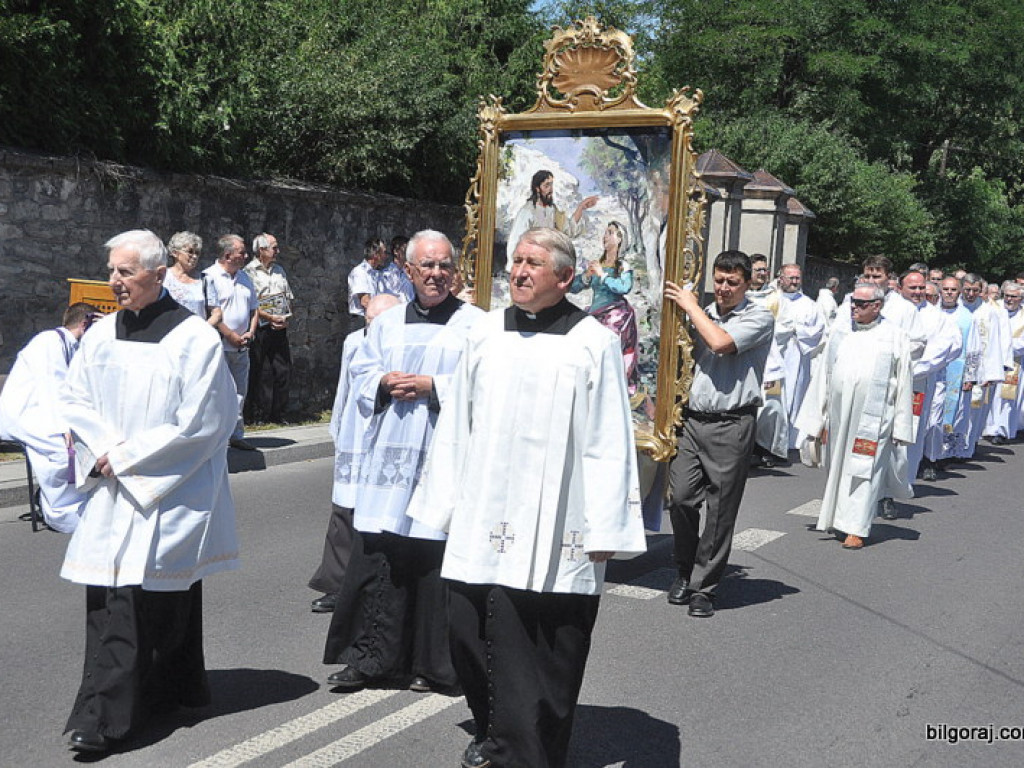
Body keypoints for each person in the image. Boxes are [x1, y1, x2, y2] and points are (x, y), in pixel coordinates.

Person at [409, 227, 647, 768]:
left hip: (558, 518)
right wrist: (441, 503)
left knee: (543, 643)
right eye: (515, 260)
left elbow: (609, 438)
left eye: (533, 263)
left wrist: (606, 526)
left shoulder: (594, 344)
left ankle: (525, 750)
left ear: (564, 278)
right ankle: (495, 728)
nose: (518, 271)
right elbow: (457, 422)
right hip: (484, 511)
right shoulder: (485, 334)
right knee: (466, 629)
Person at [58, 230, 240, 752]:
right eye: (112, 271)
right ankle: (110, 711)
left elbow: (204, 422)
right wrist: (102, 449)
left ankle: (129, 709)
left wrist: (128, 457)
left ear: (159, 275)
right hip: (115, 482)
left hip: (169, 486)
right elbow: (75, 398)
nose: (114, 282)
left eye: (125, 272)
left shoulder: (194, 339)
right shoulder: (100, 334)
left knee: (153, 596)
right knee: (116, 598)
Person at [323, 230, 483, 694]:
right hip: (390, 457)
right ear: (408, 271)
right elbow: (361, 369)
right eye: (426, 266)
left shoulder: (475, 325)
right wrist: (382, 382)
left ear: (455, 271)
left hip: (442, 455)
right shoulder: (387, 324)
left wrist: (433, 387)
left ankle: (434, 665)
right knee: (381, 557)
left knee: (434, 561)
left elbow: (483, 383)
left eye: (444, 266)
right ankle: (370, 658)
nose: (436, 274)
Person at [663, 250, 774, 618]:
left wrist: (692, 307)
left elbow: (721, 344)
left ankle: (704, 587)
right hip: (694, 420)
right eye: (719, 280)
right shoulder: (704, 311)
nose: (723, 289)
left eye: (732, 283)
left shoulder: (757, 316)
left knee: (720, 509)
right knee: (679, 498)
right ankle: (684, 570)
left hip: (732, 422)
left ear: (746, 284)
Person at [796, 282, 914, 549]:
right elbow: (823, 377)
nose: (854, 308)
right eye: (852, 302)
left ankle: (857, 528)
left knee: (864, 468)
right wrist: (816, 418)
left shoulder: (894, 335)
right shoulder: (840, 332)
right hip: (839, 415)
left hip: (874, 418)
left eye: (860, 304)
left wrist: (902, 426)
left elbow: (905, 380)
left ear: (877, 306)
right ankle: (838, 518)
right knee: (837, 465)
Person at [308, 292, 401, 613]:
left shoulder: (400, 344)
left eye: (379, 322)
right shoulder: (353, 342)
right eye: (369, 321)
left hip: (387, 438)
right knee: (344, 513)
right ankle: (336, 584)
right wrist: (336, 427)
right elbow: (344, 388)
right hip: (354, 433)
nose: (372, 327)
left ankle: (378, 586)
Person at [0, 302, 99, 532]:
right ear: (85, 324)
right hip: (23, 414)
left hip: (42, 412)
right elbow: (52, 386)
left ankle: (73, 503)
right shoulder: (49, 341)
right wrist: (64, 427)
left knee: (85, 445)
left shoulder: (73, 347)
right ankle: (58, 512)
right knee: (63, 452)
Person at [898, 269, 962, 483]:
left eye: (921, 288)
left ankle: (906, 478)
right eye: (912, 287)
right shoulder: (889, 310)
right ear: (900, 288)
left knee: (917, 428)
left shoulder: (936, 316)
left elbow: (948, 347)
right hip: (888, 380)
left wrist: (914, 369)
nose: (917, 292)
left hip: (920, 381)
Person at [204, 235, 259, 450]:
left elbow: (254, 308)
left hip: (242, 346)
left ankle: (236, 435)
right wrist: (230, 335)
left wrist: (250, 332)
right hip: (220, 345)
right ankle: (215, 437)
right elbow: (211, 311)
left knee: (239, 393)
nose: (246, 256)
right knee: (217, 393)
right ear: (227, 255)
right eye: (241, 252)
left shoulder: (245, 277)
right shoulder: (210, 277)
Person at [570, 220, 639, 391]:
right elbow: (574, 287)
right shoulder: (598, 263)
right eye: (605, 232)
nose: (605, 236)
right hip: (595, 313)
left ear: (620, 239)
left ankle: (611, 387)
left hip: (615, 314)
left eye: (610, 233)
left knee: (606, 351)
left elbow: (624, 287)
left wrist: (603, 276)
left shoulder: (623, 266)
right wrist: (586, 276)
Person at [244, 233, 294, 424]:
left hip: (279, 326)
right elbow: (253, 304)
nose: (277, 251)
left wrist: (286, 316)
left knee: (283, 370)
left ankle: (278, 413)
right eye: (274, 247)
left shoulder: (279, 270)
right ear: (262, 250)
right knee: (261, 371)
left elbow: (288, 297)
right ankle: (259, 414)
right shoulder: (249, 273)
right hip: (262, 327)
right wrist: (269, 317)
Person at [505, 169, 598, 272]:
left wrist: (581, 207)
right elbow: (516, 241)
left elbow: (568, 230)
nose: (551, 190)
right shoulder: (527, 211)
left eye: (551, 185)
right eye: (546, 186)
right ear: (537, 189)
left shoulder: (552, 210)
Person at [960, 273, 1012, 455]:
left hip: (979, 369)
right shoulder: (954, 309)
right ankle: (950, 447)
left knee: (974, 410)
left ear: (981, 291)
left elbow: (995, 343)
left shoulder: (988, 312)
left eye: (975, 290)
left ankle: (968, 446)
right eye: (967, 290)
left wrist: (992, 372)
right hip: (956, 368)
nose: (971, 294)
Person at [775, 264, 826, 449]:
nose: (794, 281)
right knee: (774, 398)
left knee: (795, 398)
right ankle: (770, 441)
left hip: (798, 357)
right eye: (791, 278)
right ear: (781, 278)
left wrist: (796, 329)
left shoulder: (809, 304)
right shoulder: (772, 300)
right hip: (775, 357)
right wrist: (785, 330)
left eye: (797, 278)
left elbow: (819, 330)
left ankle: (790, 441)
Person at [983, 280, 1024, 444]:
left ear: (1020, 298)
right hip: (991, 360)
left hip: (1014, 363)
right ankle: (986, 427)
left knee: (1006, 398)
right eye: (1007, 295)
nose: (1009, 299)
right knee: (989, 396)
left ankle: (1001, 429)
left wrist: (1004, 348)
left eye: (1014, 297)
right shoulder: (995, 308)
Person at [163, 231, 222, 327]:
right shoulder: (164, 277)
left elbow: (217, 313)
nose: (194, 256)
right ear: (175, 253)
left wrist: (202, 330)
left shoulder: (205, 280)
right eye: (190, 252)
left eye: (197, 253)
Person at [347, 238, 389, 330]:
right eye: (384, 253)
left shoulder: (378, 274)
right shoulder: (360, 272)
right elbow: (365, 301)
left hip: (375, 319)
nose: (386, 256)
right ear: (375, 254)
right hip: (362, 321)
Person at [379, 235, 416, 303]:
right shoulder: (385, 275)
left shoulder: (411, 273)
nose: (408, 252)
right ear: (396, 251)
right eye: (405, 249)